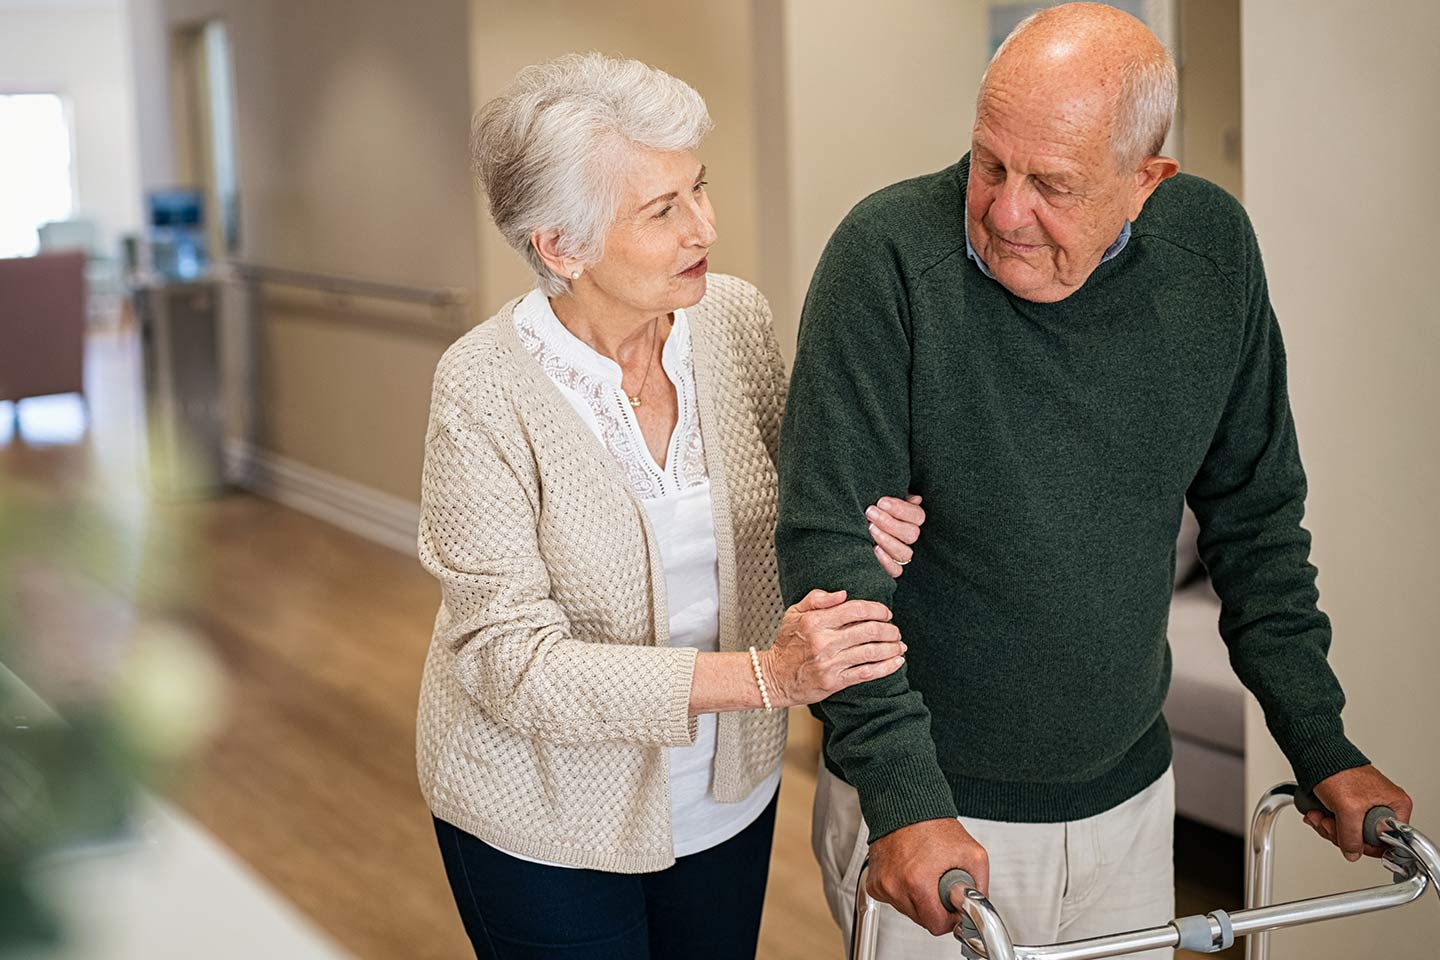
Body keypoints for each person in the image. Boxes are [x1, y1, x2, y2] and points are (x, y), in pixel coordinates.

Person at [775, 4, 1414, 957]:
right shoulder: (888, 258)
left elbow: (1256, 520)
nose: (1001, 208)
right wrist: (903, 795)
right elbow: (832, 555)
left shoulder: (1211, 255)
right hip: (931, 804)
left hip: (1129, 798)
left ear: (1147, 181)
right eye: (989, 163)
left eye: (1052, 184)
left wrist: (1319, 739)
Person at [414, 53, 924, 960]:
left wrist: (859, 532)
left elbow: (793, 514)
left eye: (700, 188)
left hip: (728, 794)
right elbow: (512, 664)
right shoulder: (482, 388)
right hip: (543, 815)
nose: (706, 225)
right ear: (559, 245)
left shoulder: (730, 320)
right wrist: (766, 679)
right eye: (664, 210)